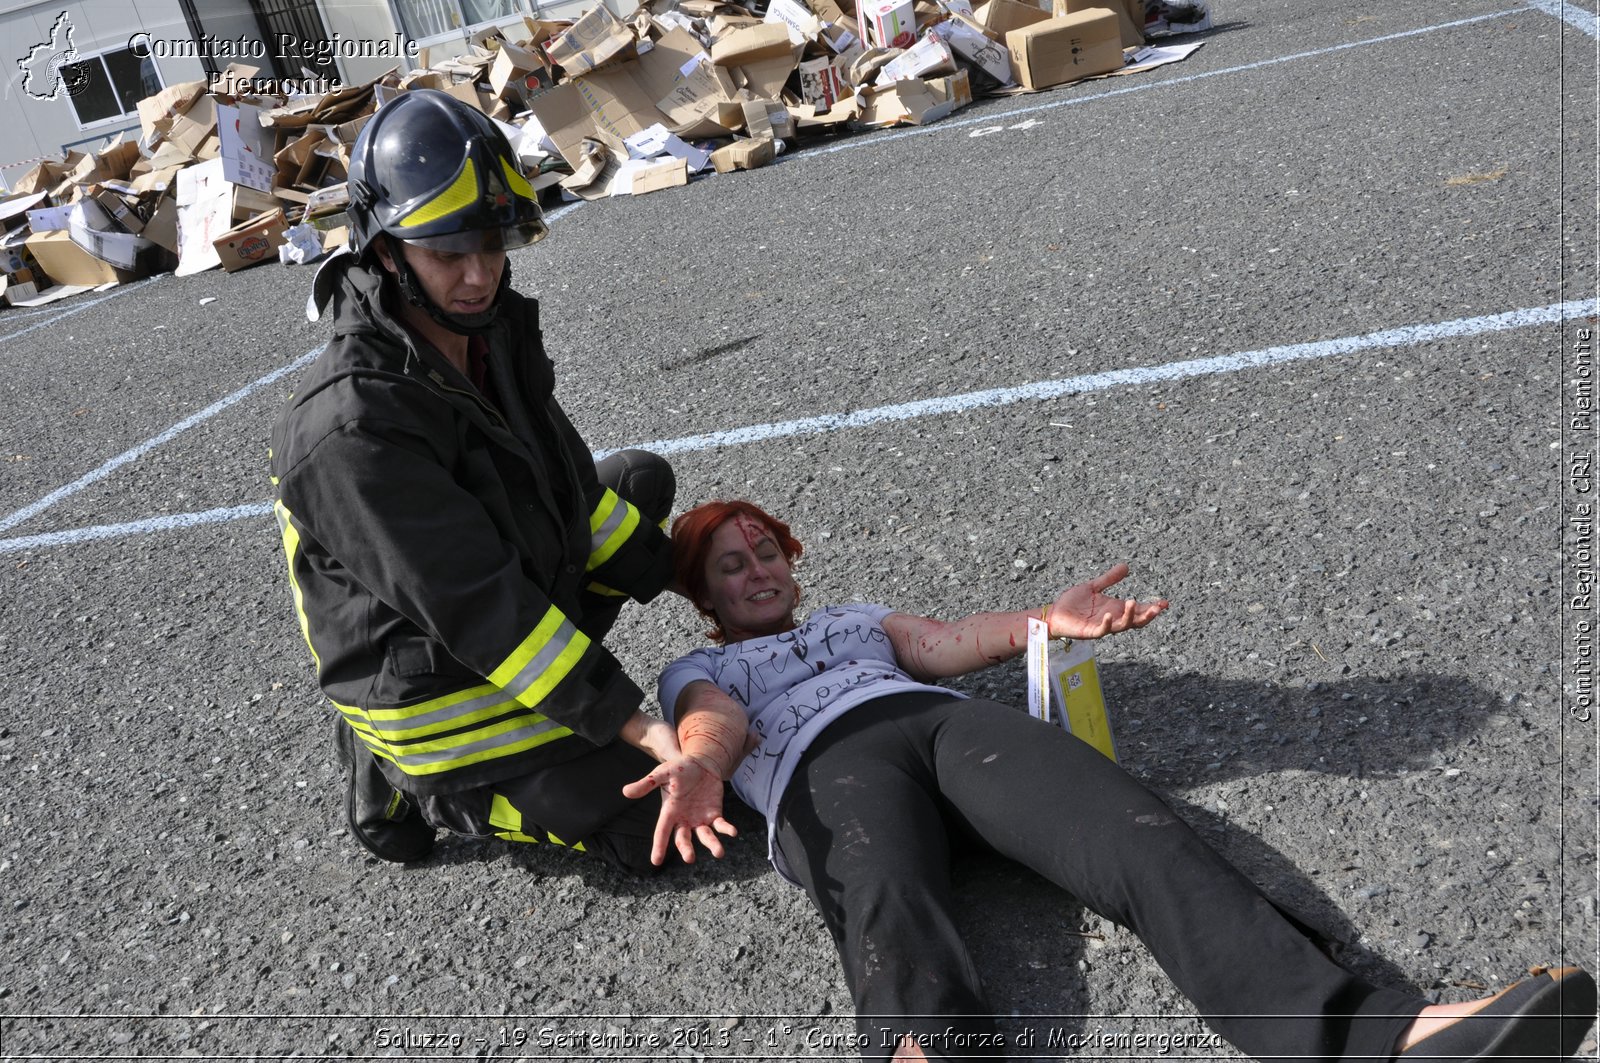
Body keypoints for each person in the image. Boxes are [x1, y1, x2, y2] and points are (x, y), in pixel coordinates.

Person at [626, 498, 1597, 1062]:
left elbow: (947, 643)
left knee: (1135, 830)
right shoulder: (699, 668)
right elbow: (719, 717)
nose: (755, 570)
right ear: (702, 594)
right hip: (824, 766)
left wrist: (1048, 620)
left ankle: (1380, 1037)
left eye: (765, 552)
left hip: (942, 728)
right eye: (729, 564)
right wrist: (704, 761)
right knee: (884, 899)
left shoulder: (855, 621)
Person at [269, 89, 726, 874]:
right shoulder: (352, 428)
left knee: (636, 484)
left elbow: (568, 488)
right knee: (652, 826)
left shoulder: (487, 326)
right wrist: (637, 723)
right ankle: (409, 775)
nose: (479, 276)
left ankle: (541, 726)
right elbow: (485, 610)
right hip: (427, 675)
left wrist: (697, 578)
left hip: (461, 607)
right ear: (385, 250)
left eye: (492, 245)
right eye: (448, 254)